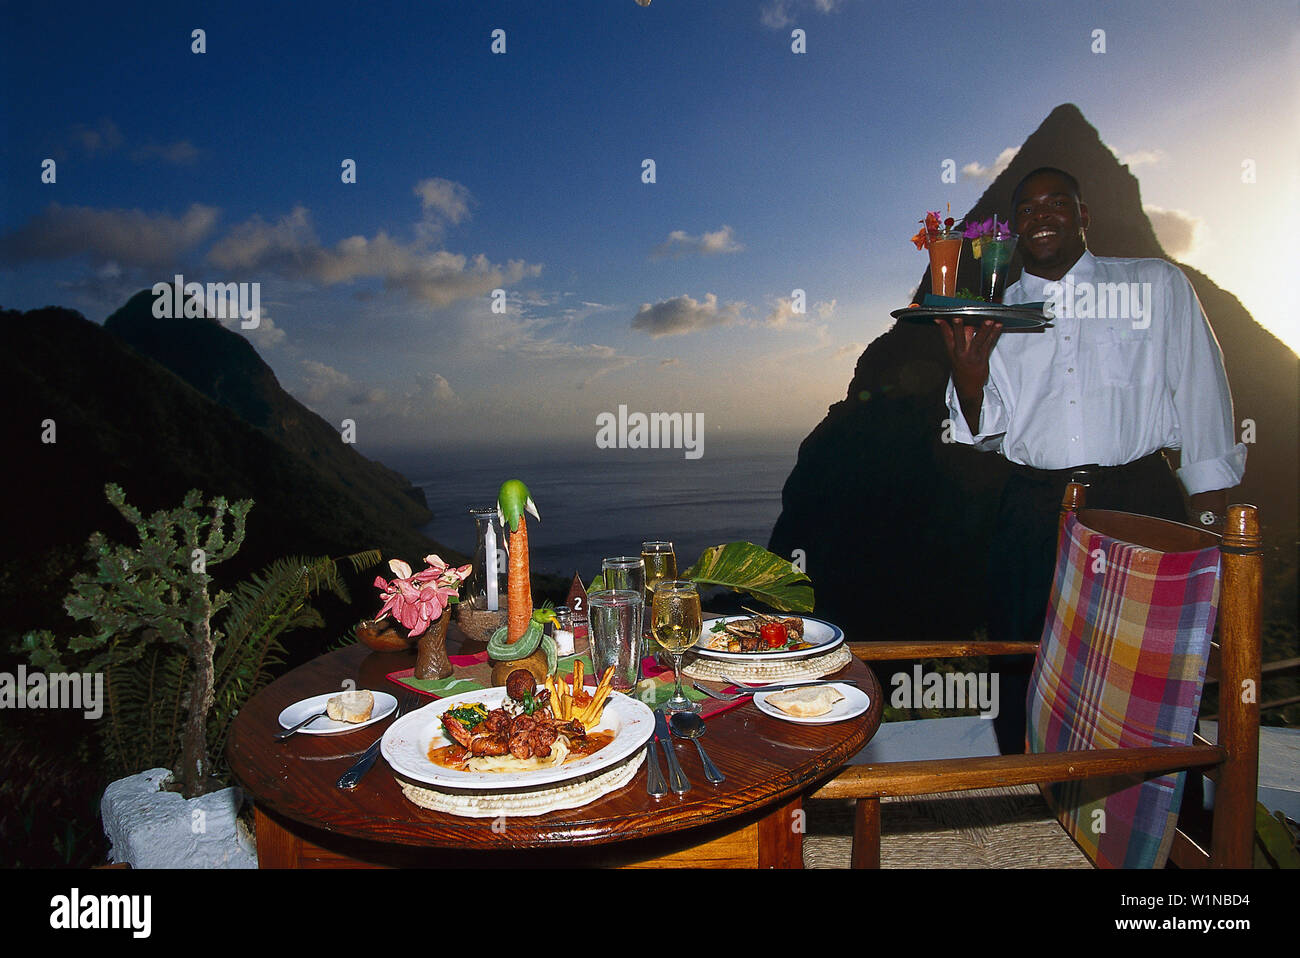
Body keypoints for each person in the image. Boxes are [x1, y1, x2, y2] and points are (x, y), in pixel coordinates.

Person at [938, 167, 1246, 753]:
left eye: (1057, 202)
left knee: (1150, 656)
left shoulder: (1156, 285)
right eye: (1027, 209)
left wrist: (1209, 525)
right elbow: (981, 431)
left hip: (1137, 495)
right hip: (1033, 505)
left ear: (1084, 216)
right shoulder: (993, 312)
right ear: (1014, 229)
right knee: (1021, 654)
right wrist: (970, 376)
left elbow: (1202, 392)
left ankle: (1155, 807)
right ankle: (1026, 793)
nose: (1042, 215)